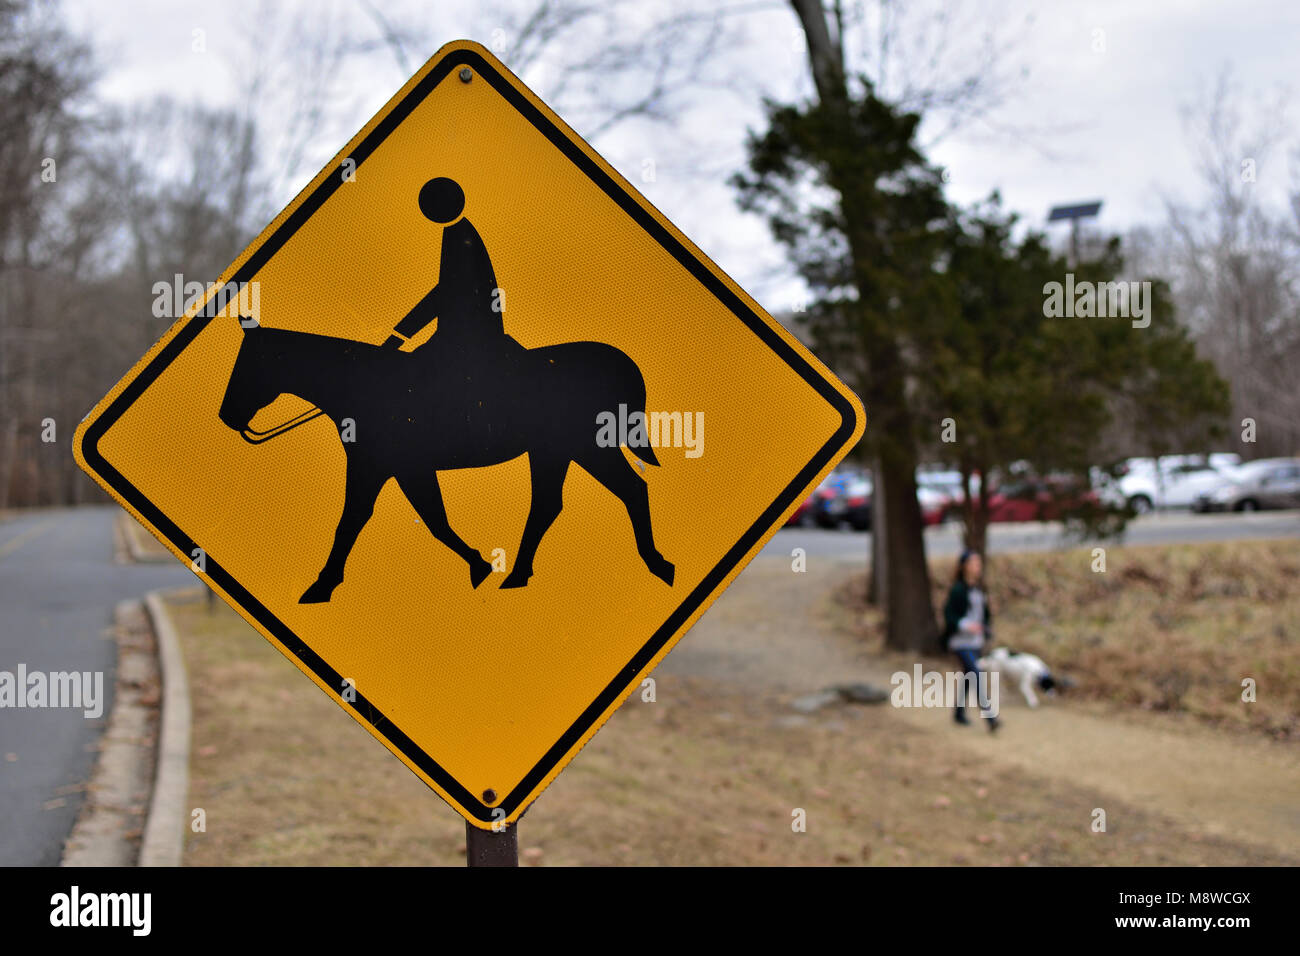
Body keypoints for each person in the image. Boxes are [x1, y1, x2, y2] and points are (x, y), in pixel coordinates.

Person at [383, 177, 510, 358]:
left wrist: (401, 334)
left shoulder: (461, 236)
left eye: (436, 200)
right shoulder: (458, 232)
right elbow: (448, 291)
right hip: (462, 333)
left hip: (469, 336)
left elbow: (447, 292)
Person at [943, 549, 1000, 730]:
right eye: (974, 563)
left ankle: (959, 713)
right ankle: (990, 716)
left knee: (969, 676)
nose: (978, 567)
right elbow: (949, 615)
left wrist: (985, 627)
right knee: (976, 674)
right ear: (964, 566)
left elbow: (984, 615)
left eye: (979, 563)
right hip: (961, 642)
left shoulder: (979, 589)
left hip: (976, 641)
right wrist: (966, 625)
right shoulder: (958, 590)